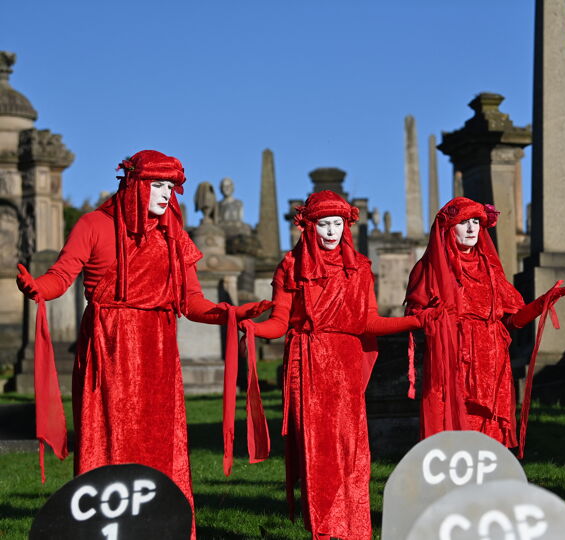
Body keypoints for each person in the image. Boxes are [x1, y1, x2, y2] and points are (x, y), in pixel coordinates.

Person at [16, 150, 269, 536]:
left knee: (159, 440)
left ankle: (162, 525)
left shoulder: (173, 234)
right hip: (109, 346)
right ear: (135, 184)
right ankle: (104, 527)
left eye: (171, 186)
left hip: (158, 351)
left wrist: (229, 313)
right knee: (109, 437)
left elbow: (192, 301)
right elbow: (62, 274)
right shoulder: (94, 225)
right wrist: (38, 287)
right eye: (159, 185)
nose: (167, 194)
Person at [248, 190, 433, 539]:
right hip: (308, 364)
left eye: (337, 223)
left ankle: (352, 529)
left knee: (351, 450)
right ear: (309, 226)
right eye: (324, 224)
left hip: (346, 367)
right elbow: (280, 322)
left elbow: (369, 322)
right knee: (318, 450)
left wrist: (417, 321)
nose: (332, 231)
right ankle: (325, 530)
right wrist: (251, 328)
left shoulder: (359, 267)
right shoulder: (291, 265)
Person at [405, 197, 565, 454]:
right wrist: (437, 317)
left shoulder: (490, 269)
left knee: (489, 430)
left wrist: (541, 304)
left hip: (492, 362)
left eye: (476, 222)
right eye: (464, 222)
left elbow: (511, 321)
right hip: (453, 359)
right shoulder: (429, 268)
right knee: (454, 424)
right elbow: (416, 318)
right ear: (448, 227)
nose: (472, 228)